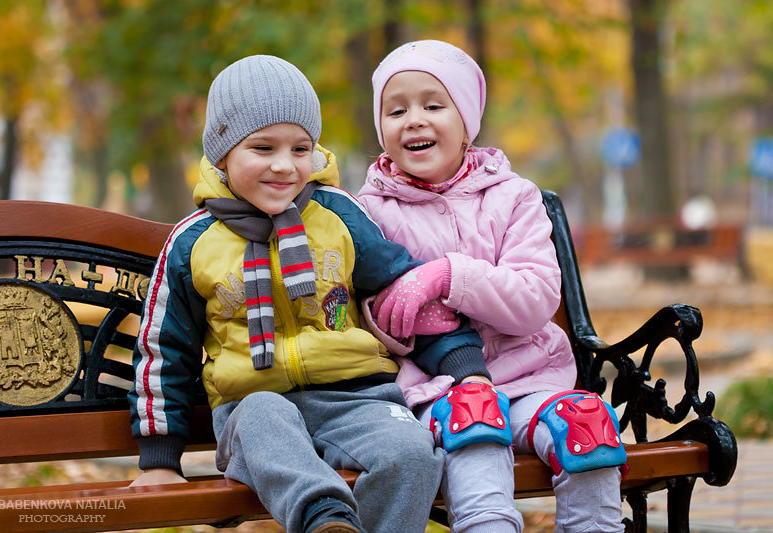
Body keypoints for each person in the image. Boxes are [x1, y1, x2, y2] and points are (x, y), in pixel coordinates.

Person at [126, 54, 492, 533]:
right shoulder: (194, 243)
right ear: (222, 153)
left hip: (358, 397)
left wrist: (464, 365)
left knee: (411, 454)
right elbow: (162, 353)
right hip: (252, 410)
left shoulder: (337, 215)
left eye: (301, 148)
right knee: (264, 416)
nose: (284, 166)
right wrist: (160, 458)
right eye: (262, 147)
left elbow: (404, 297)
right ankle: (325, 518)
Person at [357, 40, 627, 533]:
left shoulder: (514, 198)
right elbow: (376, 315)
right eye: (396, 110)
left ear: (467, 123)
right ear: (382, 130)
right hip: (436, 393)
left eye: (433, 105)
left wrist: (447, 277)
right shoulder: (368, 214)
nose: (414, 119)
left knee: (586, 424)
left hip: (531, 382)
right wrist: (389, 317)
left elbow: (535, 300)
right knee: (474, 419)